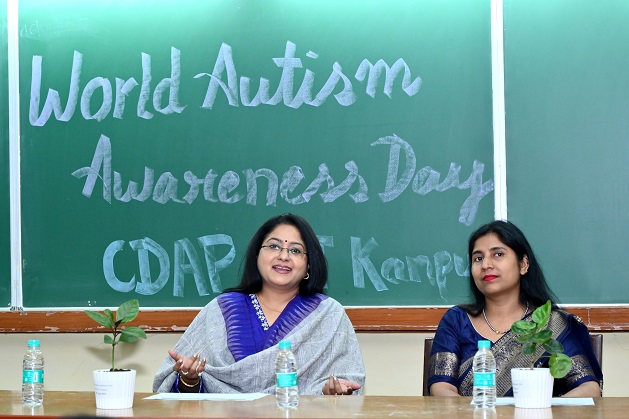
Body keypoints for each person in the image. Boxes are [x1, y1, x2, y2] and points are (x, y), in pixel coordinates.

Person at [153, 213, 365, 395]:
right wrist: (189, 380)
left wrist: (331, 392)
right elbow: (176, 392)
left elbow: (347, 382)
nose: (283, 256)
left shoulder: (327, 314)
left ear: (309, 264)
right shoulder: (222, 309)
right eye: (274, 246)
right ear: (257, 255)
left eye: (295, 250)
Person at [428, 220, 602, 397]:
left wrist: (543, 409)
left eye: (498, 254)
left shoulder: (552, 325)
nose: (486, 265)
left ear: (523, 264)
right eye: (478, 258)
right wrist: (475, 411)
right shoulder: (456, 321)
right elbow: (441, 388)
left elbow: (589, 389)